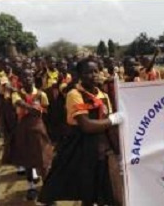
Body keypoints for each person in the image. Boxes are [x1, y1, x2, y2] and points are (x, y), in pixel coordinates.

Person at [39, 57, 125, 205]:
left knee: (105, 190)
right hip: (83, 148)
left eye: (96, 71)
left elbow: (107, 125)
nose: (93, 75)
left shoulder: (103, 95)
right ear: (79, 75)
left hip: (103, 150)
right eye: (88, 72)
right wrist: (113, 120)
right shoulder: (75, 94)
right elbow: (86, 125)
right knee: (87, 192)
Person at [10, 68, 53, 202]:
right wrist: (30, 108)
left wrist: (40, 110)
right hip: (24, 129)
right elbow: (17, 102)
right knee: (28, 160)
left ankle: (47, 189)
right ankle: (31, 187)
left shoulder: (41, 94)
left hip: (39, 128)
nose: (27, 79)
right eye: (24, 77)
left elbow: (46, 109)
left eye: (29, 76)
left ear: (33, 79)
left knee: (44, 160)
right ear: (21, 81)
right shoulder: (17, 94)